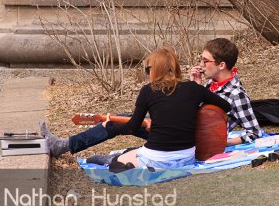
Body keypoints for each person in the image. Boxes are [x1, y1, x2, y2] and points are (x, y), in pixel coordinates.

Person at [41, 48, 231, 169]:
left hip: (159, 157)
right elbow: (225, 106)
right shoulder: (194, 89)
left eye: (148, 69)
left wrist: (112, 126)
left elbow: (132, 127)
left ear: (155, 70)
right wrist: (197, 110)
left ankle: (110, 158)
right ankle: (65, 145)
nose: (147, 74)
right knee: (124, 128)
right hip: (188, 157)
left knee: (113, 162)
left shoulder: (148, 91)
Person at [189, 38, 261, 145]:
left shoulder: (236, 94)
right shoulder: (209, 85)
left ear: (221, 65)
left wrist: (224, 143)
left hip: (203, 144)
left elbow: (254, 133)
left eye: (205, 61)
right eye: (201, 60)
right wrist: (195, 87)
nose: (201, 65)